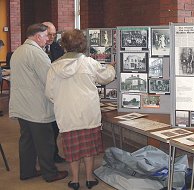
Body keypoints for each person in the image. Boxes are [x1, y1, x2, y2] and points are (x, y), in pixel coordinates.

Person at [45, 29, 116, 190]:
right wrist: (111, 67)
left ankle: (75, 180)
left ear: (63, 45)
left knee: (72, 149)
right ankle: (90, 179)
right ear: (83, 45)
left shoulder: (54, 67)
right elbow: (106, 77)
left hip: (67, 115)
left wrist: (62, 101)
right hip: (88, 113)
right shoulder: (89, 63)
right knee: (89, 148)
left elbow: (49, 93)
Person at [9, 23, 68, 182]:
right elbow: (49, 79)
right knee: (45, 142)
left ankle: (27, 171)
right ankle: (50, 173)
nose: (47, 39)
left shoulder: (19, 51)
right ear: (37, 36)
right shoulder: (36, 53)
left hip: (22, 105)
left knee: (27, 141)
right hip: (36, 107)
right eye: (45, 35)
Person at [42, 21, 65, 163]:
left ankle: (54, 153)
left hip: (56, 93)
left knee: (55, 127)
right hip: (41, 93)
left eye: (54, 34)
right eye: (49, 34)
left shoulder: (57, 47)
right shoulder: (36, 49)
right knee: (44, 130)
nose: (51, 37)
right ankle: (45, 156)